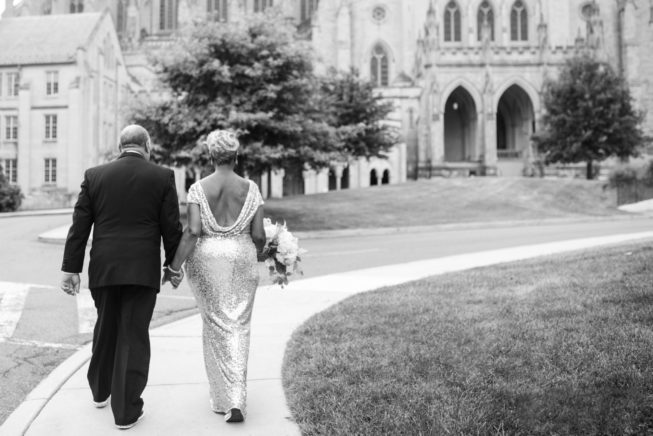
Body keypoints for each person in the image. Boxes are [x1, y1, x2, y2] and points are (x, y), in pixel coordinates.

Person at [60, 125, 183, 430]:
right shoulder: (163, 176)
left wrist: (70, 268)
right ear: (147, 145)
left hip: (104, 267)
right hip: (142, 269)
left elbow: (79, 226)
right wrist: (174, 266)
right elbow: (172, 227)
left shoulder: (94, 175)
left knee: (107, 326)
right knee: (133, 334)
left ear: (120, 146)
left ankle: (100, 391)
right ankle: (126, 411)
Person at [165, 129, 266, 423]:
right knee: (239, 326)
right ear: (236, 156)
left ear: (210, 156)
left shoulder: (198, 188)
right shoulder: (252, 188)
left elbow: (193, 231)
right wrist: (260, 252)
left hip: (207, 261)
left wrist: (174, 268)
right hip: (241, 258)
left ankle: (223, 398)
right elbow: (258, 234)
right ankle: (235, 399)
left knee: (214, 325)